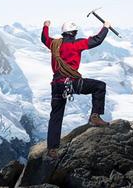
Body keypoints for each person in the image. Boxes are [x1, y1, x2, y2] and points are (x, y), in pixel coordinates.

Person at [41, 20, 111, 159]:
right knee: (99, 86)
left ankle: (52, 149)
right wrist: (105, 27)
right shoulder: (76, 43)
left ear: (63, 32)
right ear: (74, 33)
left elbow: (44, 39)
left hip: (57, 85)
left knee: (56, 116)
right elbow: (96, 40)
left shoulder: (54, 44)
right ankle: (95, 116)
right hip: (72, 82)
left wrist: (46, 26)